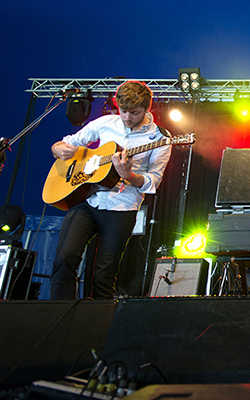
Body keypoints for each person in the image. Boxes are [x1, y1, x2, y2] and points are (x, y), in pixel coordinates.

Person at [49, 80, 172, 300]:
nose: (126, 118)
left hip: (121, 208)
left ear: (147, 108)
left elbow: (154, 180)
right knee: (64, 258)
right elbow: (67, 142)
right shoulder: (105, 122)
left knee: (105, 275)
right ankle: (59, 316)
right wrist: (58, 147)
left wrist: (129, 175)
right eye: (123, 111)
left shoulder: (160, 138)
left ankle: (98, 327)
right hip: (87, 201)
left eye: (134, 113)